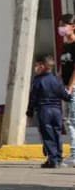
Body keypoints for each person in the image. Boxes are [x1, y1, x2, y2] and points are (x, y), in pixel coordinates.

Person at [27, 55, 70, 168]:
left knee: (48, 135)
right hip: (57, 111)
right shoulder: (57, 80)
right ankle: (58, 158)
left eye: (37, 65)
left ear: (42, 66)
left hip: (44, 111)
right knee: (57, 134)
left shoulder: (38, 80)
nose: (35, 68)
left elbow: (33, 98)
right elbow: (65, 96)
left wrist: (29, 112)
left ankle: (52, 159)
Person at [57, 14, 75, 166]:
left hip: (72, 88)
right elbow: (63, 67)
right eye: (60, 25)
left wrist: (70, 86)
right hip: (65, 88)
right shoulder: (65, 46)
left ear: (73, 26)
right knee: (69, 121)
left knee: (71, 121)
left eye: (64, 25)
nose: (60, 28)